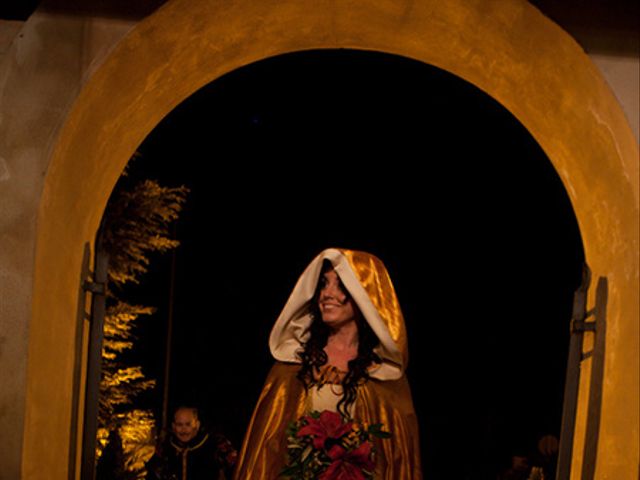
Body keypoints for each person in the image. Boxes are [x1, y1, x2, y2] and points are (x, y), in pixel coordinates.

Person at [233, 248, 422, 479]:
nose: (326, 294)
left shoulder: (384, 376)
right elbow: (265, 454)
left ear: (365, 295)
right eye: (323, 284)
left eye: (340, 285)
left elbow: (397, 460)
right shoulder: (291, 367)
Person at [145, 406, 237, 480]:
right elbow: (153, 473)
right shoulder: (166, 447)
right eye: (179, 425)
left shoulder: (215, 444)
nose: (183, 429)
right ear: (173, 426)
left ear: (197, 425)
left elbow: (237, 468)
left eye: (188, 424)